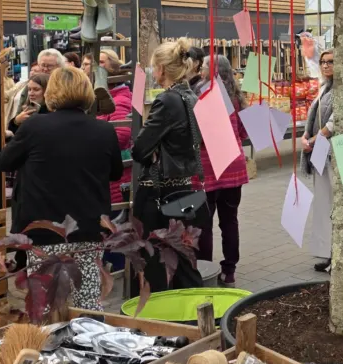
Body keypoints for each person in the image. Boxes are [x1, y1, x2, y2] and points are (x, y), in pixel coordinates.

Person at [0, 67, 123, 311]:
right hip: (88, 227)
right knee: (88, 303)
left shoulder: (35, 126)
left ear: (51, 92)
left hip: (44, 228)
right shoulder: (104, 130)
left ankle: (47, 336)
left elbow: (3, 162)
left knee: (44, 305)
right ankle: (89, 333)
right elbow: (115, 172)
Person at [131, 37, 204, 295]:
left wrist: (152, 150)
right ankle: (194, 311)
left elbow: (139, 149)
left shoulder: (166, 100)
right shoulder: (192, 96)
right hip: (185, 189)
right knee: (183, 259)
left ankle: (159, 313)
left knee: (155, 262)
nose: (153, 72)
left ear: (161, 68)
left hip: (159, 192)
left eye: (154, 67)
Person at [196, 55, 248, 286]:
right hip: (233, 166)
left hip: (208, 167)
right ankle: (229, 271)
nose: (200, 70)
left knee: (204, 223)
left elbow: (198, 133)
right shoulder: (236, 97)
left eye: (204, 67)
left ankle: (204, 269)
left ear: (213, 71)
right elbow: (244, 132)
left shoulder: (203, 95)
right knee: (230, 221)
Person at [301, 49, 336, 272]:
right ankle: (326, 252)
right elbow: (314, 117)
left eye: (331, 62)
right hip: (320, 150)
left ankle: (340, 253)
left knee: (335, 203)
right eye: (323, 62)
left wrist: (313, 139)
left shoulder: (342, 90)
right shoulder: (324, 88)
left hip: (333, 152)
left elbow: (334, 122)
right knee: (323, 203)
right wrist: (306, 136)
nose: (325, 65)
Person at [98, 48, 133, 209]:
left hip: (114, 177)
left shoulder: (118, 101)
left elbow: (121, 136)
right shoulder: (105, 99)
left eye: (100, 62)